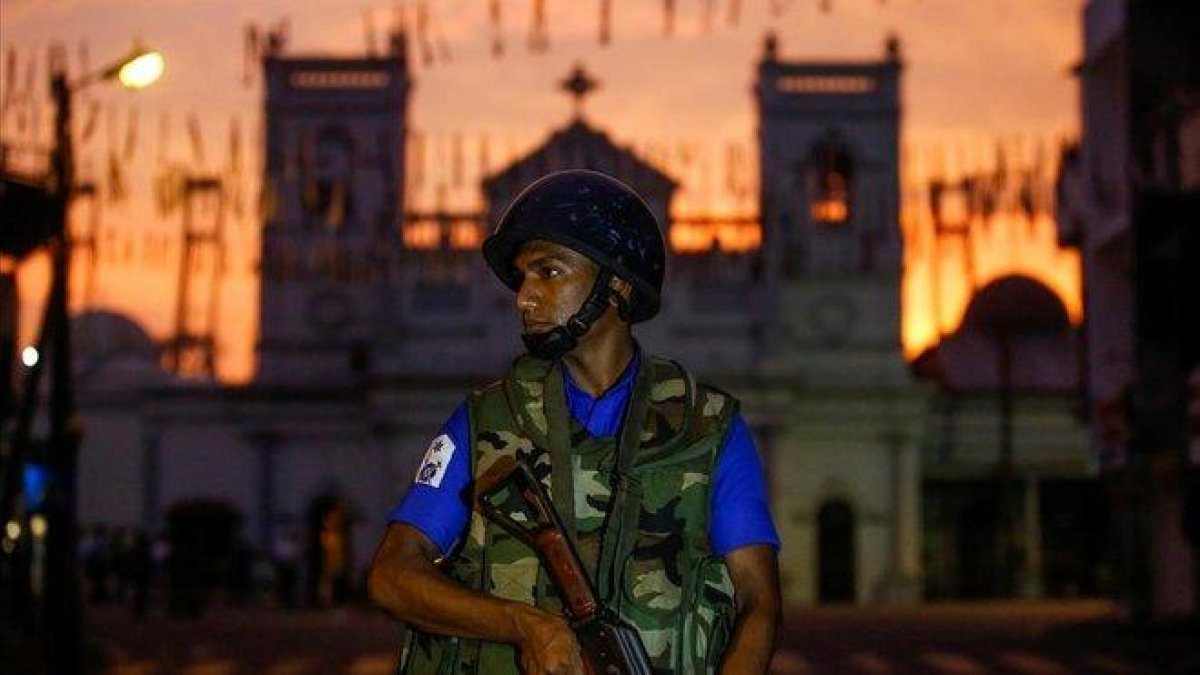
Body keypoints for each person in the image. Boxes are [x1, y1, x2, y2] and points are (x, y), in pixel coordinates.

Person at [368, 170, 781, 674]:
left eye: (549, 271)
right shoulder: (484, 422)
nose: (525, 297)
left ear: (617, 286)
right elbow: (392, 573)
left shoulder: (709, 430)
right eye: (522, 277)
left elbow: (758, 601)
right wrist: (522, 624)